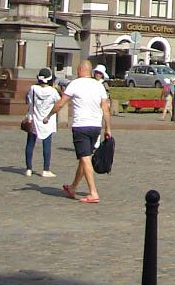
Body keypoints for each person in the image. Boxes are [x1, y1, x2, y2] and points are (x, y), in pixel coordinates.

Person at [50, 60, 111, 204]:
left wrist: (48, 116)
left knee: (85, 158)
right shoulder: (98, 86)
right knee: (86, 157)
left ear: (79, 69)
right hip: (96, 127)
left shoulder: (75, 84)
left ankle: (93, 192)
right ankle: (73, 187)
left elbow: (61, 103)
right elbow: (106, 109)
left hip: (81, 126)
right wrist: (108, 128)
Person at [24, 68, 60, 177]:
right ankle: (46, 169)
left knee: (30, 143)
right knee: (47, 145)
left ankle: (29, 168)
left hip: (34, 118)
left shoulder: (33, 89)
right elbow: (59, 103)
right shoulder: (53, 91)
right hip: (47, 121)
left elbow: (29, 101)